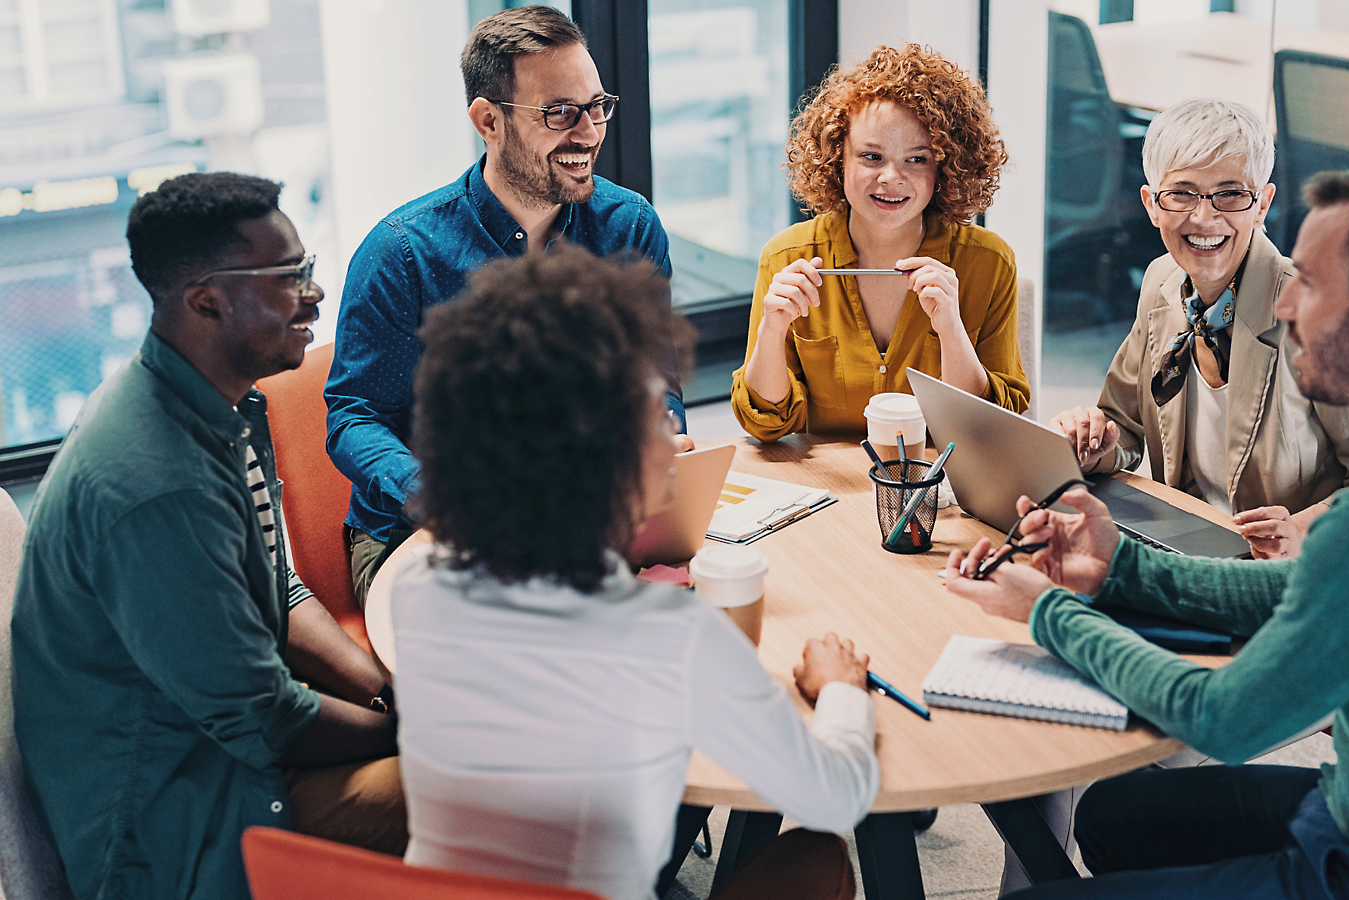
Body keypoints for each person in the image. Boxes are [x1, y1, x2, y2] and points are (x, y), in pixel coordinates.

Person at [946, 165, 1349, 900]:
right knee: (1115, 819)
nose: (1284, 303)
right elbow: (1310, 586)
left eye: (1311, 284)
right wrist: (1120, 568)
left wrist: (1046, 611)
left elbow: (1219, 718)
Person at [391, 242, 879, 900]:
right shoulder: (669, 635)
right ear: (597, 455)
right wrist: (842, 689)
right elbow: (837, 796)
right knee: (818, 859)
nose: (674, 435)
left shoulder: (420, 590)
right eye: (653, 414)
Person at [10, 172, 406, 900]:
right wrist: (419, 732)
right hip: (173, 827)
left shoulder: (213, 404)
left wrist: (386, 690)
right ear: (205, 301)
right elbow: (265, 718)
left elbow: (276, 592)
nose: (316, 293)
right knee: (490, 785)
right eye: (292, 276)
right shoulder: (156, 484)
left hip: (219, 749)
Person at [326, 5, 689, 608]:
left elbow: (659, 382)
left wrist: (662, 433)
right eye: (560, 113)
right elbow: (353, 417)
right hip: (420, 531)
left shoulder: (629, 227)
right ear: (488, 120)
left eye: (597, 107)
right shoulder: (403, 253)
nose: (590, 132)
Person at [1049, 99, 1349, 560]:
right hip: (1184, 550)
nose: (1204, 218)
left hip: (1289, 575)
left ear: (1262, 204)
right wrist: (1091, 444)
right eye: (1182, 193)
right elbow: (1123, 425)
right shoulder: (1161, 282)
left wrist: (1305, 531)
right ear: (1151, 205)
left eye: (1230, 194)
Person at [731, 43, 1028, 441]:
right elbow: (766, 422)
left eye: (917, 159)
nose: (891, 177)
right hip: (830, 490)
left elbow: (992, 428)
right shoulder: (787, 258)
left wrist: (951, 330)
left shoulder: (989, 263)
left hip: (939, 491)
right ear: (837, 158)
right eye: (871, 157)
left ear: (946, 165)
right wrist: (771, 330)